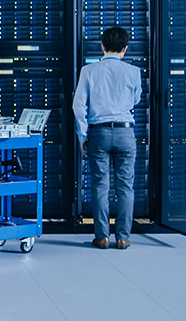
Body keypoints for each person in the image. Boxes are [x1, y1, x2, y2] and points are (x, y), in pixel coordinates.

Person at [72, 26, 142, 250]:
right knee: (125, 187)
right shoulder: (133, 71)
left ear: (102, 47)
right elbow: (136, 100)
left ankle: (102, 237)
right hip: (125, 132)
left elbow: (78, 105)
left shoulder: (88, 71)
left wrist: (82, 135)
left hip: (99, 133)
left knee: (100, 186)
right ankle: (123, 237)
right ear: (124, 49)